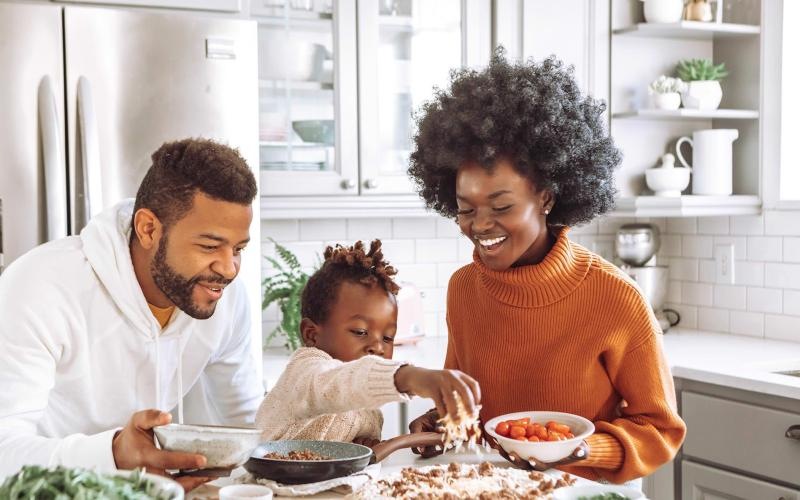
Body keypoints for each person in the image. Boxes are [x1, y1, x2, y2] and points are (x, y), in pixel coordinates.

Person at [405, 51, 686, 484]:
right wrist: (440, 425)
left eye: (501, 206)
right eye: (465, 209)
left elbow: (660, 431)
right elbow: (472, 411)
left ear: (547, 197)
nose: (480, 226)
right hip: (491, 490)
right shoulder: (464, 288)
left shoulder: (615, 297)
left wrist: (578, 449)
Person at [0, 138, 263, 489]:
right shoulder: (40, 285)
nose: (229, 269)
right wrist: (112, 453)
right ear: (148, 229)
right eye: (209, 246)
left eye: (239, 249)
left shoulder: (224, 299)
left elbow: (247, 426)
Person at [256, 240, 481, 448]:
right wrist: (409, 377)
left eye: (387, 338)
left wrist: (364, 445)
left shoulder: (368, 406)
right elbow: (337, 384)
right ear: (312, 334)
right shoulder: (306, 371)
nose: (378, 347)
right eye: (360, 331)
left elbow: (343, 445)